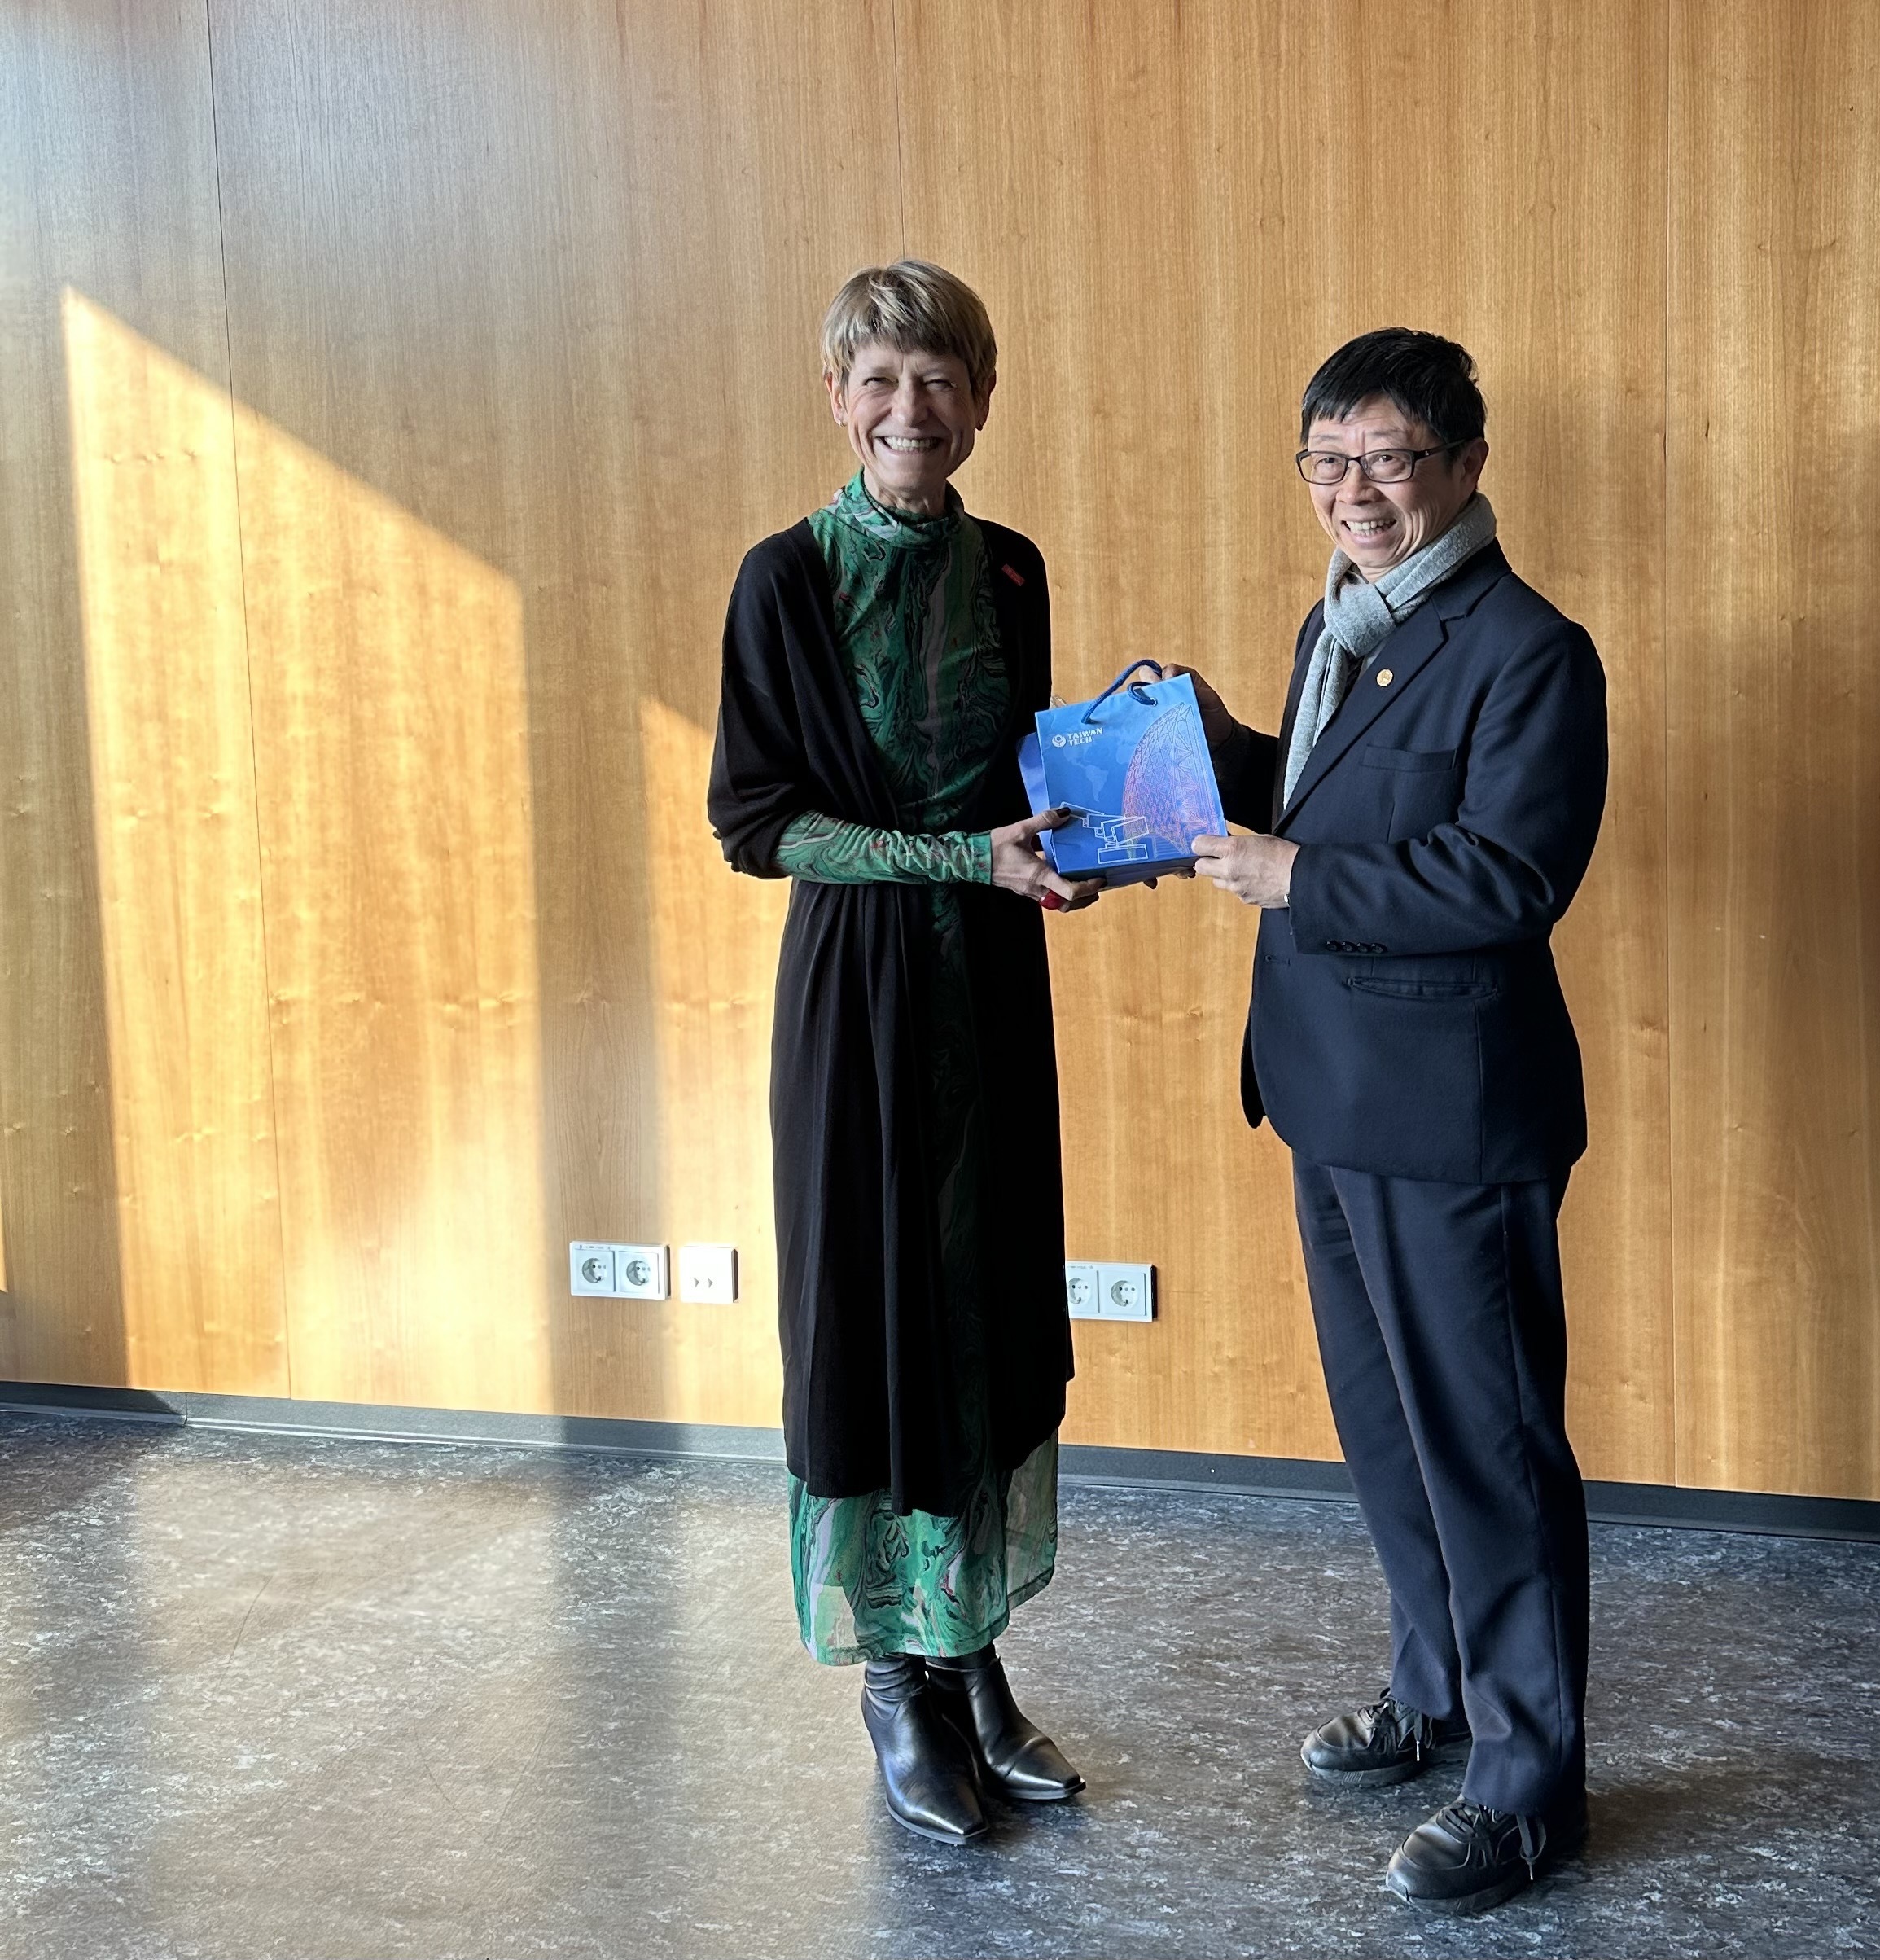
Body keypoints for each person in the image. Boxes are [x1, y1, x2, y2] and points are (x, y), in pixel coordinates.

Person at [1177, 328, 1607, 1914]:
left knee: (1487, 1453)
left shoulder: (1530, 649)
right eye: (1329, 462)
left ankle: (1527, 1786)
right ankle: (1435, 1698)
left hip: (1452, 1115)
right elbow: (1318, 805)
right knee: (1391, 1439)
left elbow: (1508, 878)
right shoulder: (1339, 625)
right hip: (1323, 1092)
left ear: (1469, 464)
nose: (1357, 490)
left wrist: (1298, 880)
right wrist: (1213, 741)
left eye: (1390, 459)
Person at [708, 260, 1101, 1847]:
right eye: (879, 381)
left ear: (983, 399)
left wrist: (1093, 824)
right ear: (836, 398)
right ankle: (894, 1679)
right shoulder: (783, 580)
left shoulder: (1012, 569)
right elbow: (761, 826)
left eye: (939, 380)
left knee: (990, 1304)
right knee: (875, 1314)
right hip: (863, 993)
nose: (910, 410)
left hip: (993, 983)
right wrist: (958, 866)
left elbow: (1024, 766)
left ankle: (974, 1650)